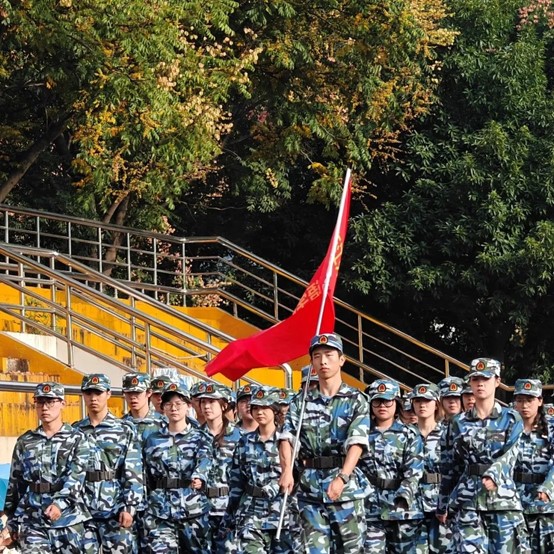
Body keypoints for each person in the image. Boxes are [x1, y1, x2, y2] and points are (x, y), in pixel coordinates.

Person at [278, 333, 370, 553]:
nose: (323, 361)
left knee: (351, 549)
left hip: (345, 488)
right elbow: (286, 438)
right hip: (310, 489)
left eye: (329, 355)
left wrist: (342, 477)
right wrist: (287, 470)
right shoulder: (301, 401)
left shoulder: (355, 399)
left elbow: (357, 442)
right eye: (317, 356)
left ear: (342, 360)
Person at [437, 358, 530, 553]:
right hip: (467, 502)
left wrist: (494, 474)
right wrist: (443, 504)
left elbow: (510, 455)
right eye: (475, 379)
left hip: (502, 502)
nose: (480, 384)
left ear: (497, 381)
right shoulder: (458, 422)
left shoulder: (511, 418)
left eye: (485, 379)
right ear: (470, 383)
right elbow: (450, 466)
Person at [3, 382, 97, 553]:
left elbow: (76, 478)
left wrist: (60, 504)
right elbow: (16, 484)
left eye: (50, 402)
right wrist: (11, 521)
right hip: (33, 522)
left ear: (62, 403)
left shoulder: (78, 439)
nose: (45, 407)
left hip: (69, 520)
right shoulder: (26, 441)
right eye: (40, 402)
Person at [73, 373, 143, 554]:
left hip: (115, 508)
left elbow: (133, 471)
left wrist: (130, 506)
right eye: (88, 393)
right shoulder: (75, 431)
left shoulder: (124, 429)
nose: (93, 398)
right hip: (83, 510)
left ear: (108, 394)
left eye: (98, 393)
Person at [142, 380, 213, 553]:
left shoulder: (200, 438)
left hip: (193, 509)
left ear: (188, 406)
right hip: (160, 510)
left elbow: (205, 461)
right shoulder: (153, 439)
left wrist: (199, 476)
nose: (173, 408)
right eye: (168, 404)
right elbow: (147, 473)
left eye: (178, 404)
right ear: (163, 408)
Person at [225, 386, 293, 553]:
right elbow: (237, 480)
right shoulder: (244, 441)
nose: (259, 412)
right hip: (251, 513)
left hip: (283, 513)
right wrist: (231, 512)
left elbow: (298, 475)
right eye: (255, 408)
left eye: (265, 408)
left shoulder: (288, 441)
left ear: (275, 411)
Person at [361, 379, 424, 553]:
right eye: (377, 401)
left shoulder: (409, 434)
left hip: (402, 509)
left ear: (396, 403)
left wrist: (403, 497)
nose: (382, 406)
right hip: (370, 508)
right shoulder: (362, 433)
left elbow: (414, 471)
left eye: (387, 401)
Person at [196, 382, 242, 553]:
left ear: (224, 405)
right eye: (203, 402)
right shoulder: (194, 435)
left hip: (228, 508)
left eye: (212, 402)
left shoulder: (239, 436)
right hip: (200, 508)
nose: (206, 406)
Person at [512, 378, 554, 553]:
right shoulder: (507, 428)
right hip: (513, 504)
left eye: (530, 400)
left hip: (543, 506)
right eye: (520, 400)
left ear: (540, 401)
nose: (524, 405)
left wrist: (548, 488)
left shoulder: (550, 428)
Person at [412, 383, 452, 553]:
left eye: (427, 401)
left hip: (440, 502)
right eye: (418, 401)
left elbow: (455, 469)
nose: (422, 405)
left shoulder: (448, 432)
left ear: (436, 404)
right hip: (413, 504)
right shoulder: (406, 434)